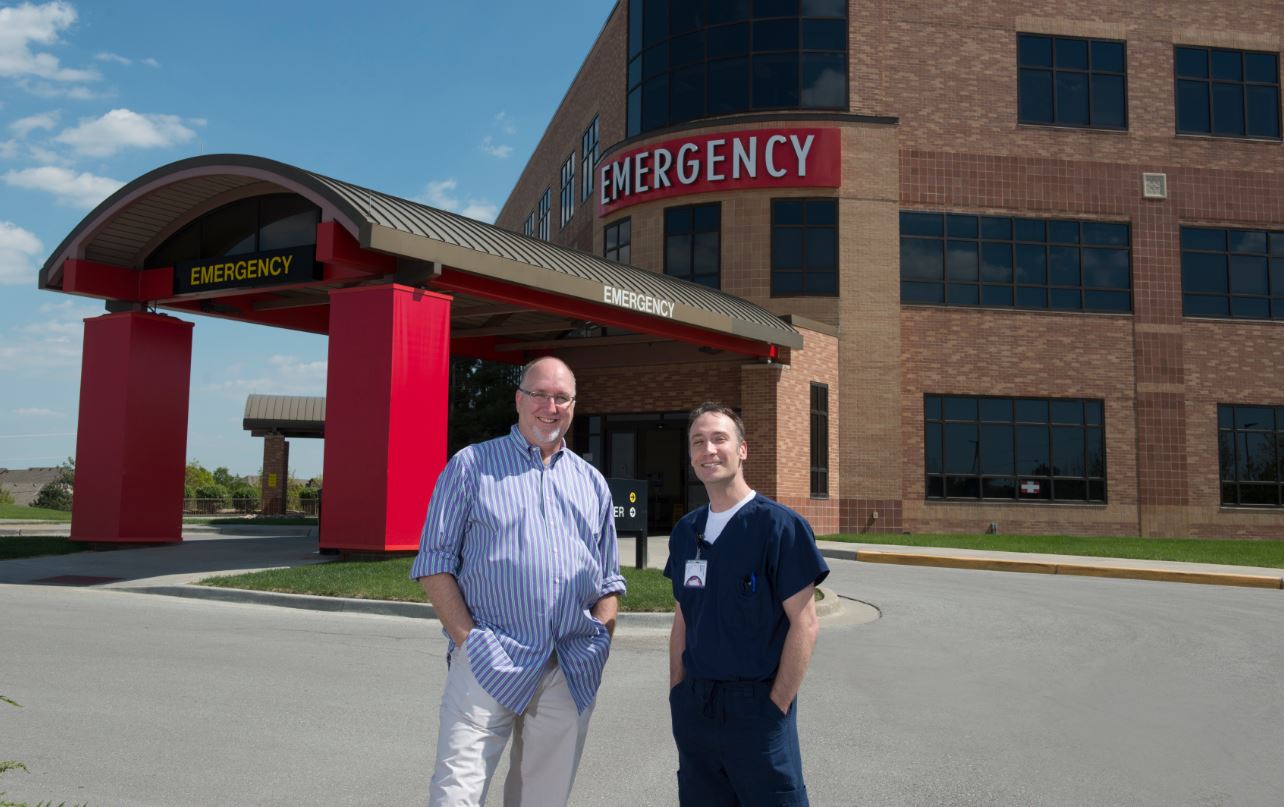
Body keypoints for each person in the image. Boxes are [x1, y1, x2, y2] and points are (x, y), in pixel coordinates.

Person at [411, 356, 625, 807]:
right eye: (540, 395)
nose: (550, 406)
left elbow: (609, 579)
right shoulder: (471, 466)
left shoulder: (592, 483)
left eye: (562, 397)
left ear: (573, 405)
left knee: (542, 801)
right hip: (489, 659)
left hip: (567, 667)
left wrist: (597, 646)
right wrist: (467, 640)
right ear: (519, 400)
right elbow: (434, 561)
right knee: (456, 796)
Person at [664, 402, 829, 806]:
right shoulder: (687, 532)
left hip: (757, 711)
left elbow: (804, 625)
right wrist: (678, 694)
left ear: (742, 450)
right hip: (697, 709)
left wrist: (776, 708)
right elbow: (682, 620)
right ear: (690, 456)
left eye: (720, 439)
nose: (708, 450)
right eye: (698, 442)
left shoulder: (779, 527)